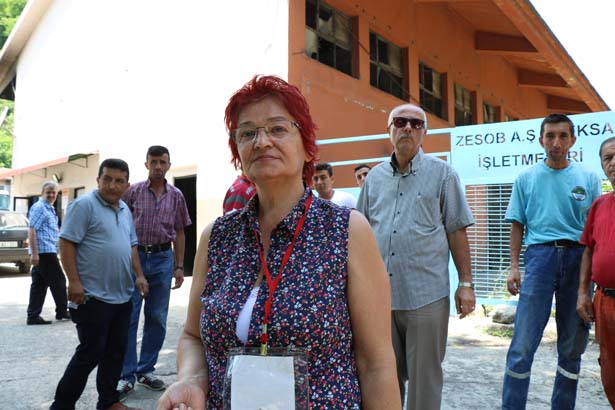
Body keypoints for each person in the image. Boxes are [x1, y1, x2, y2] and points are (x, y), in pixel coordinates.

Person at [157, 75, 400, 410]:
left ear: (307, 147)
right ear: (238, 152)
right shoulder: (217, 237)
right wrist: (192, 379)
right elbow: (192, 336)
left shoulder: (346, 230)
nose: (261, 141)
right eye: (247, 133)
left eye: (277, 128)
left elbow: (376, 365)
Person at [357, 103, 476, 410]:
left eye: (415, 123)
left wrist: (465, 283)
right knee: (383, 378)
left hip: (426, 296)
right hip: (380, 299)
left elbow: (457, 230)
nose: (407, 127)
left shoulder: (443, 175)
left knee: (425, 383)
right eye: (400, 122)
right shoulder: (374, 179)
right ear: (389, 130)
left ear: (424, 133)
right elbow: (361, 232)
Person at [502, 113, 602, 410]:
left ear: (572, 141)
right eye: (550, 136)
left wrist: (591, 279)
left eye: (562, 136)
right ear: (541, 140)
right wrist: (514, 267)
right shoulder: (526, 178)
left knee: (572, 346)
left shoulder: (588, 178)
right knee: (522, 345)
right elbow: (517, 224)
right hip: (540, 258)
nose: (556, 142)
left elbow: (594, 231)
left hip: (578, 259)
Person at [50, 158, 149, 410]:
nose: (112, 185)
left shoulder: (125, 210)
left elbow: (131, 246)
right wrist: (73, 282)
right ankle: (61, 405)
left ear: (127, 185)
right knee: (90, 353)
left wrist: (139, 275)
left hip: (122, 297)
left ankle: (108, 402)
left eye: (119, 181)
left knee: (115, 353)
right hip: (92, 297)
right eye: (107, 179)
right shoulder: (83, 205)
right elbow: (66, 243)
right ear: (98, 180)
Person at [118, 146, 191, 399]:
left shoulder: (177, 196)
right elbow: (121, 224)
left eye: (162, 162)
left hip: (162, 259)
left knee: (157, 317)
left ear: (169, 165)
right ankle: (126, 375)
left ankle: (146, 370)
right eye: (154, 162)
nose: (158, 166)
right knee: (129, 316)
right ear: (146, 164)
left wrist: (179, 266)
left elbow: (180, 231)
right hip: (135, 257)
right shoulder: (133, 192)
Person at [576, 136, 615, 407]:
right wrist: (583, 293)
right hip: (604, 301)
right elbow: (588, 250)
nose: (613, 163)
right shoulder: (599, 205)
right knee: (610, 371)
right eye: (607, 158)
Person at [25, 180, 70, 325]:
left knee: (39, 284)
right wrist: (34, 254)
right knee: (59, 280)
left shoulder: (49, 208)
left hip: (47, 250)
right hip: (44, 252)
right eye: (48, 192)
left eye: (53, 192)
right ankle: (62, 311)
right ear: (42, 193)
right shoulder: (40, 207)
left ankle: (33, 316)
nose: (51, 195)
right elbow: (32, 230)